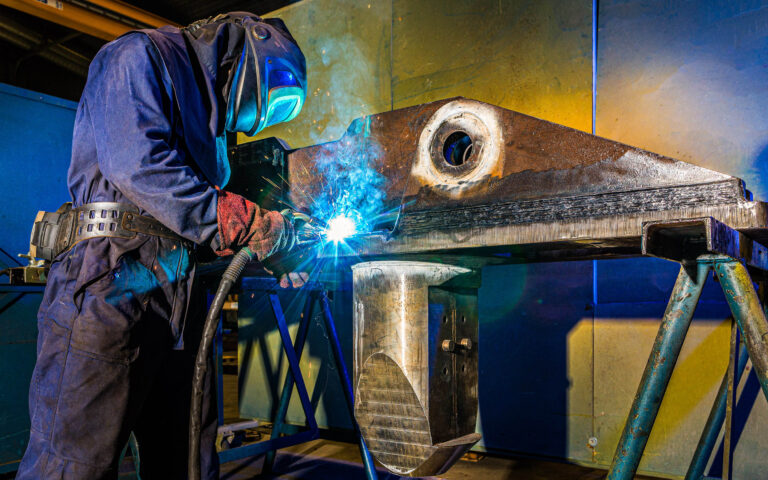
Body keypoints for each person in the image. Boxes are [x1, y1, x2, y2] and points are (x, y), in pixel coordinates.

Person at [17, 12, 307, 479]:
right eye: (263, 103)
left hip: (180, 291)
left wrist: (270, 254)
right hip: (108, 280)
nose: (256, 120)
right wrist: (239, 220)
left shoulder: (209, 121)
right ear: (244, 62)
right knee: (74, 465)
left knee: (187, 459)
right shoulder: (139, 54)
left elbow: (199, 222)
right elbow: (140, 165)